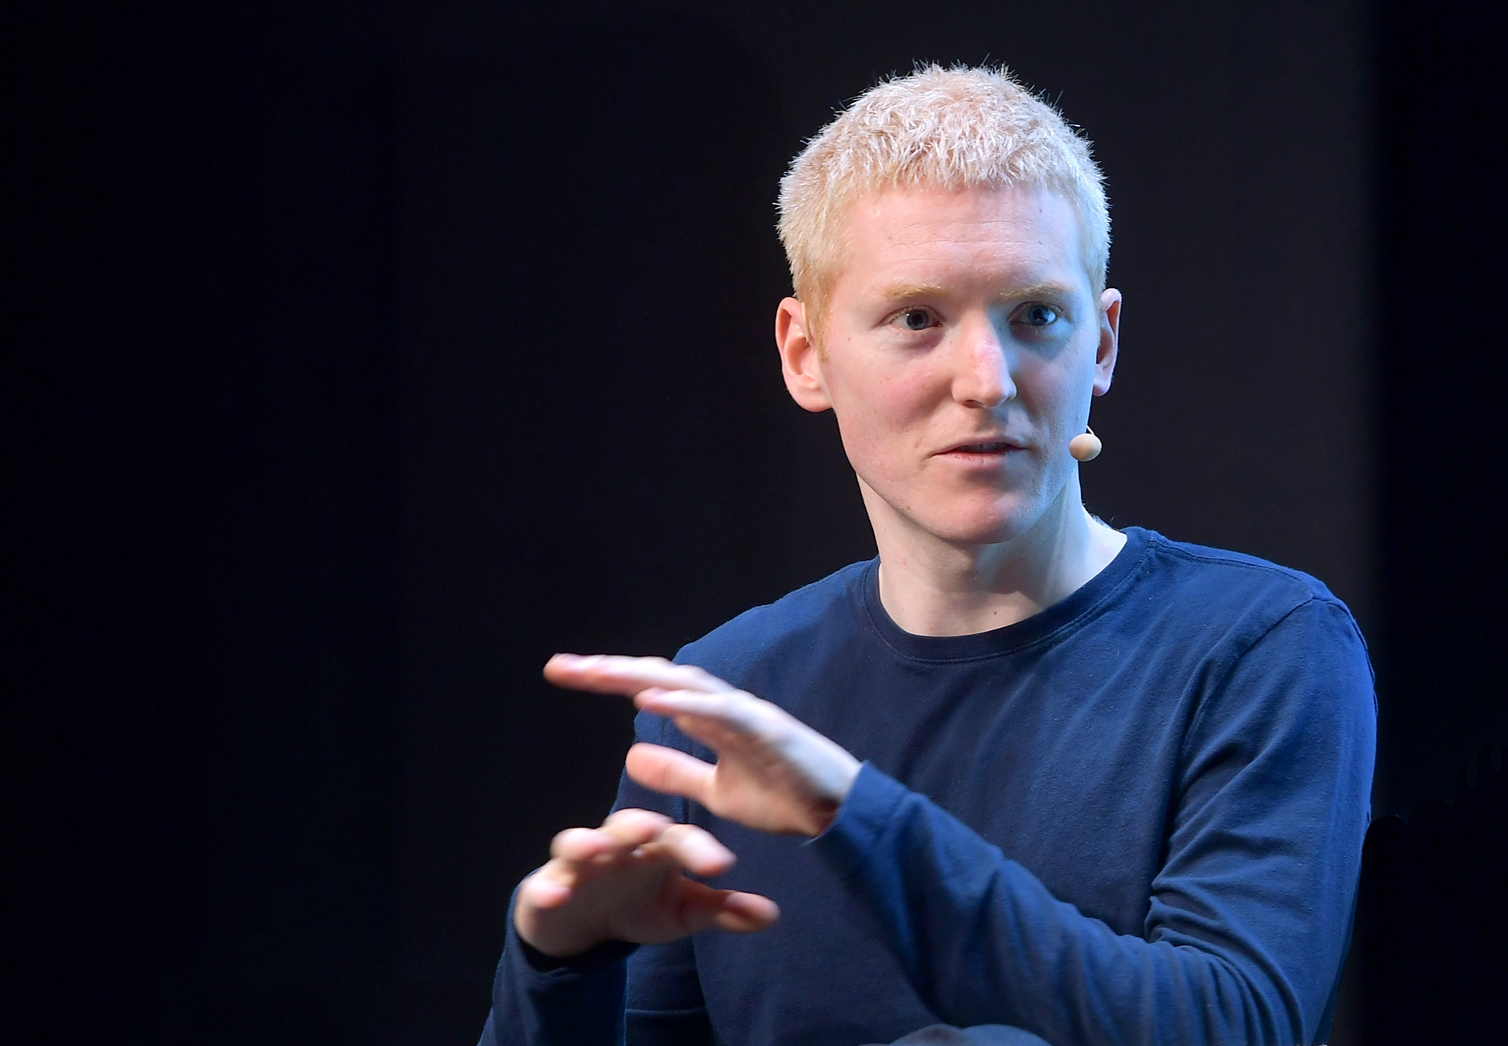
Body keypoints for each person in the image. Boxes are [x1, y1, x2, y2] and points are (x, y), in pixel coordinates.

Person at [479, 64, 1375, 1046]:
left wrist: (851, 813)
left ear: (1104, 343)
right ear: (805, 353)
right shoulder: (728, 693)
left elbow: (1231, 1025)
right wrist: (557, 964)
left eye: (1036, 314)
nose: (986, 379)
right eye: (918, 319)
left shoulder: (1260, 646)